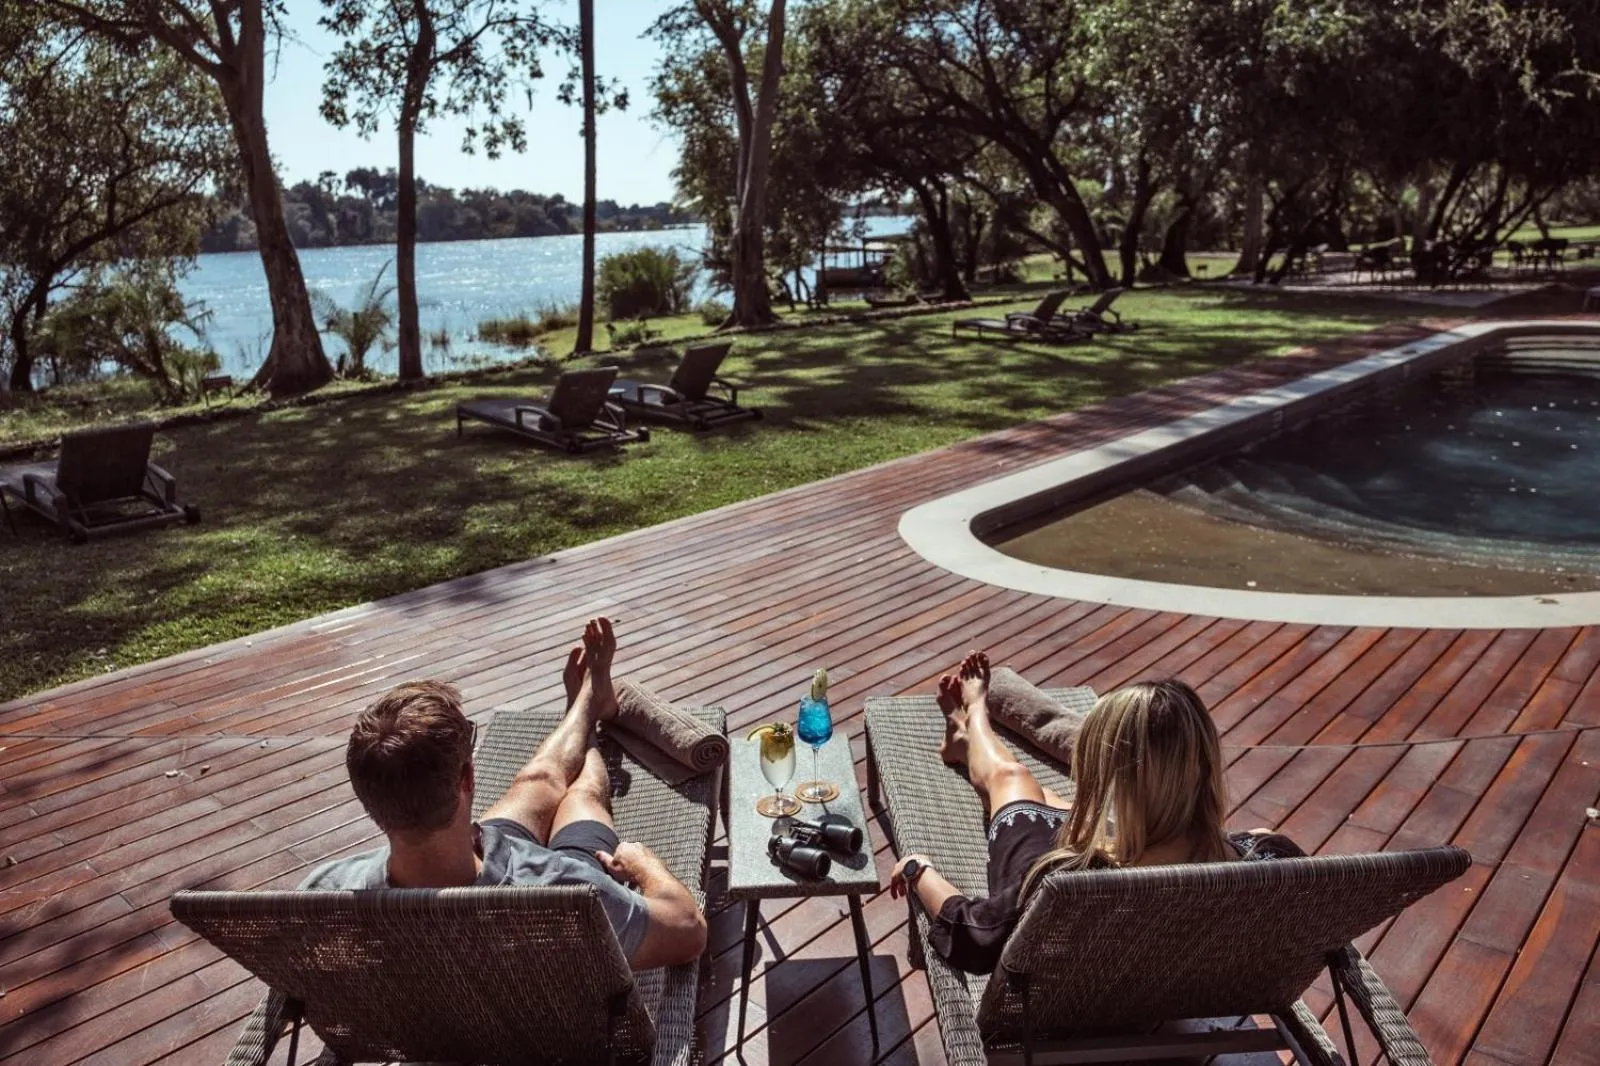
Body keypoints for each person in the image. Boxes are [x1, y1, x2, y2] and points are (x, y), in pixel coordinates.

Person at [300, 616, 708, 971]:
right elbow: (688, 932)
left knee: (537, 783)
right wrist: (643, 863)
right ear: (467, 778)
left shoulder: (323, 895)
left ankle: (583, 705)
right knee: (580, 795)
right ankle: (588, 711)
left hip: (482, 858)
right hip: (532, 881)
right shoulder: (568, 897)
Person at [889, 651, 1300, 975]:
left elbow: (974, 935)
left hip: (1065, 909)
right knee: (1053, 802)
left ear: (1105, 776)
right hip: (1176, 982)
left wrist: (917, 869)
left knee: (1010, 778)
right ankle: (969, 735)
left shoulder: (1060, 889)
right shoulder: (1272, 864)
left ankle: (973, 722)